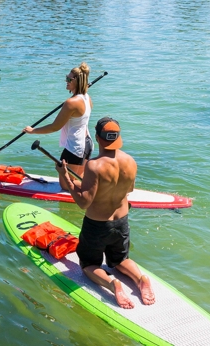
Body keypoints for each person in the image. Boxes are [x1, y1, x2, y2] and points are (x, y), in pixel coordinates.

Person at [55, 117, 155, 309]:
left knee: (88, 265)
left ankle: (112, 284)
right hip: (122, 221)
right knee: (120, 260)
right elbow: (127, 189)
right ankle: (140, 279)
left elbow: (84, 202)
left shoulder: (94, 165)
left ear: (97, 138)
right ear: (118, 137)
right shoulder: (130, 162)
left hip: (97, 225)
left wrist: (65, 176)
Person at [24, 62, 94, 190]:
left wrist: (33, 131)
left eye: (68, 79)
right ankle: (98, 188)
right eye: (66, 77)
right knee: (79, 178)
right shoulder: (87, 98)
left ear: (77, 81)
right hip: (88, 143)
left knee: (67, 185)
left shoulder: (71, 103)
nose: (65, 81)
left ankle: (101, 189)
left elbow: (55, 127)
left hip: (75, 147)